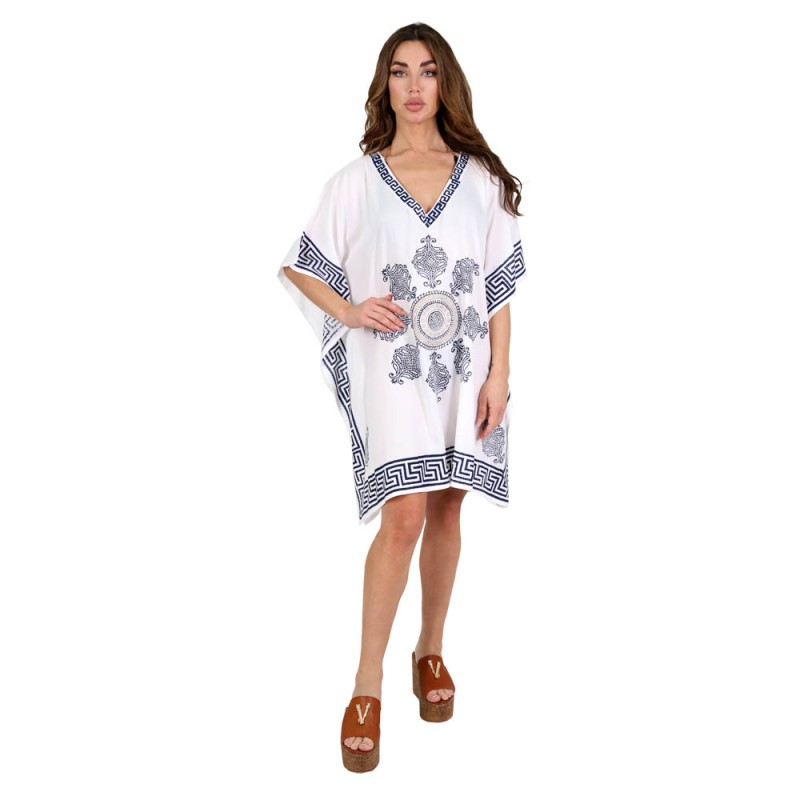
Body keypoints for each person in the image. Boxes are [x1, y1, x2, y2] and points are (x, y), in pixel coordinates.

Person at [276, 21, 526, 772]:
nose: (413, 86)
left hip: (467, 368)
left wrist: (500, 375)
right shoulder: (357, 181)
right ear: (384, 86)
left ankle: (432, 649)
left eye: (426, 71)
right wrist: (352, 311)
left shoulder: (481, 178)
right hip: (394, 369)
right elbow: (301, 265)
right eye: (399, 71)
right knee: (404, 514)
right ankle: (367, 682)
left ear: (445, 82)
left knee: (448, 507)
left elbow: (499, 286)